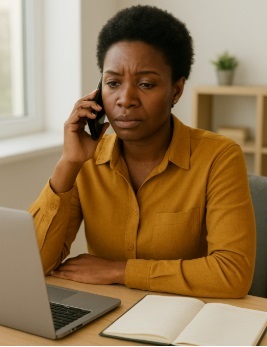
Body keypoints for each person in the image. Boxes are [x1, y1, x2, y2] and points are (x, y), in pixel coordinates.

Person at [28, 5, 256, 298]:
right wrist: (68, 164)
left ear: (176, 91)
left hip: (184, 322)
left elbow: (233, 273)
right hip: (107, 318)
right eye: (112, 83)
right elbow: (33, 267)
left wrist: (119, 271)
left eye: (146, 84)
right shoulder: (86, 161)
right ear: (98, 92)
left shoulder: (219, 157)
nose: (125, 99)